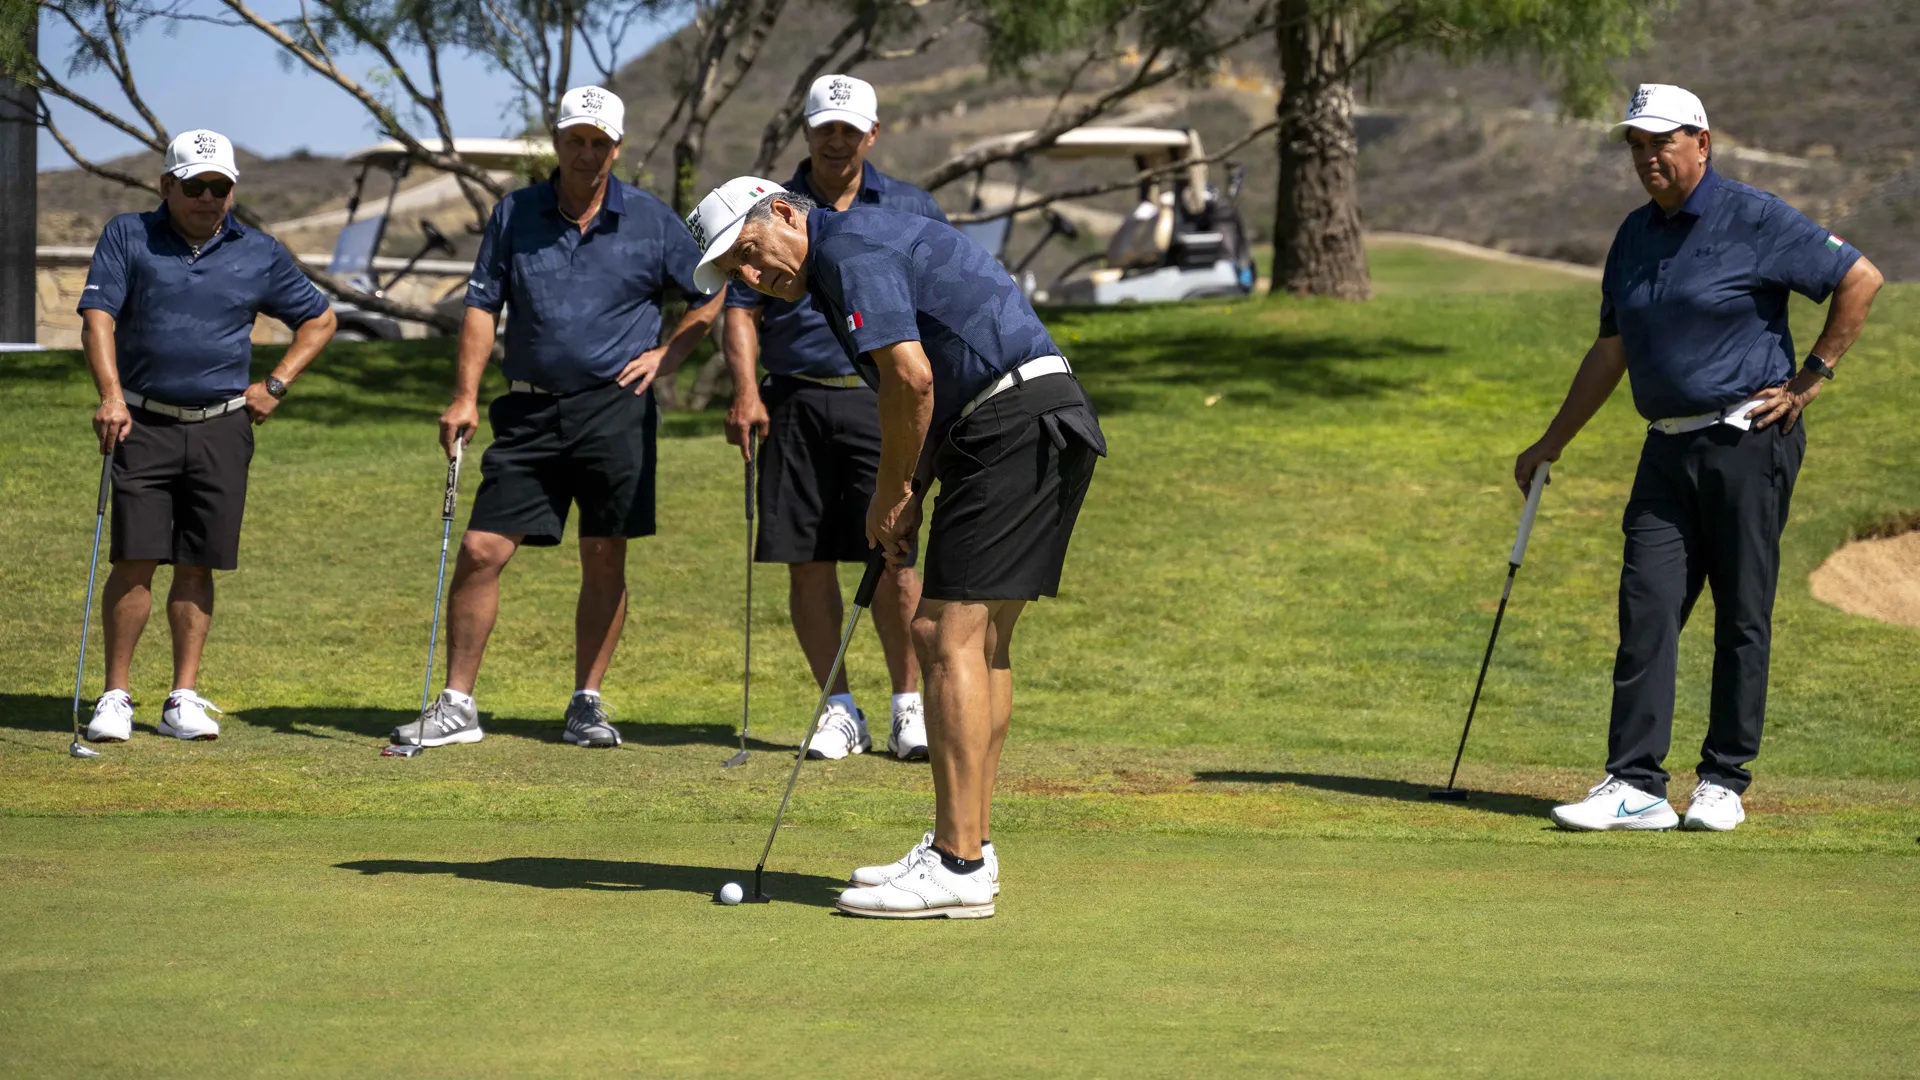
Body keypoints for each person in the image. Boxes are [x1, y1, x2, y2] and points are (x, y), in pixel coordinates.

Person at [689, 176, 1106, 918]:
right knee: (980, 642)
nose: (752, 278)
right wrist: (911, 487)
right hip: (1038, 416)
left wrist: (895, 493)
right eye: (735, 273)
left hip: (1007, 422)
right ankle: (966, 839)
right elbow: (925, 380)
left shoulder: (848, 249)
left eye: (752, 253)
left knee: (942, 633)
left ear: (785, 212)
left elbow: (910, 380)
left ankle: (959, 863)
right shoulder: (851, 252)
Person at [1515, 84, 1883, 832]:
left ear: (1702, 143)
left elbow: (1859, 279)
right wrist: (1552, 441)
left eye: (1663, 142)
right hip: (1665, 449)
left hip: (1748, 439)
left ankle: (1722, 781)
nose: (1649, 157)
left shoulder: (1755, 216)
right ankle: (1634, 784)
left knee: (1742, 613)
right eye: (1638, 145)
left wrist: (1811, 379)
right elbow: (1611, 349)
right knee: (1646, 610)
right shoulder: (1633, 235)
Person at [397, 85, 724, 750]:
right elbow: (482, 307)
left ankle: (587, 703)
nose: (585, 152)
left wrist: (669, 355)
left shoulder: (652, 219)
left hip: (615, 410)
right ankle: (458, 705)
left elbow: (711, 292)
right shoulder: (516, 213)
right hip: (529, 409)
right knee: (482, 548)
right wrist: (464, 395)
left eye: (599, 142)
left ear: (617, 148)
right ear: (557, 140)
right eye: (575, 139)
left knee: (604, 556)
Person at [77, 128, 338, 743]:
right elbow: (97, 318)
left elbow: (320, 319)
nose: (209, 198)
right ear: (167, 186)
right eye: (196, 186)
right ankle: (115, 696)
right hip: (142, 420)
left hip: (223, 427)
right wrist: (111, 397)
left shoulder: (259, 251)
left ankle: (182, 699)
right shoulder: (128, 235)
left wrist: (274, 385)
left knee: (198, 563)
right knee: (135, 558)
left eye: (220, 187)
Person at [722, 74, 948, 762]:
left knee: (893, 555)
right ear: (808, 131)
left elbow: (938, 303)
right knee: (807, 559)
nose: (837, 139)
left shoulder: (910, 205)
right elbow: (740, 306)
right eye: (826, 127)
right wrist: (745, 391)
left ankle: (909, 707)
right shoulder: (771, 208)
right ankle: (838, 709)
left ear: (871, 134)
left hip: (883, 396)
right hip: (794, 396)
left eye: (850, 129)